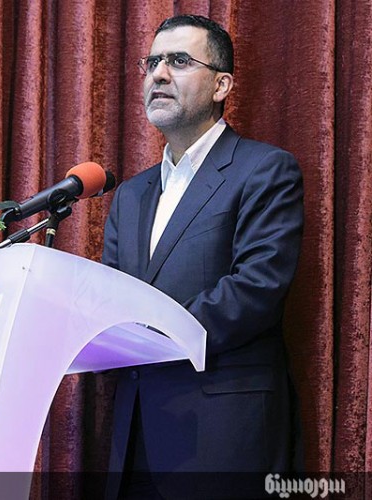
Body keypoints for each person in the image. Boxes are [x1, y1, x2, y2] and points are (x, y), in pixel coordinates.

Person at [101, 14, 304, 498]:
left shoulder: (264, 169)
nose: (158, 74)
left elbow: (256, 288)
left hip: (222, 434)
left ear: (221, 85)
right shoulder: (130, 195)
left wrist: (154, 337)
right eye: (152, 62)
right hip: (136, 438)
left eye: (178, 61)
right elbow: (109, 296)